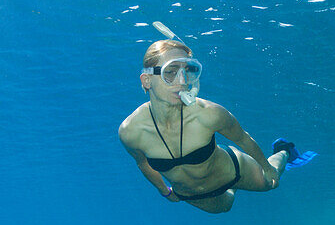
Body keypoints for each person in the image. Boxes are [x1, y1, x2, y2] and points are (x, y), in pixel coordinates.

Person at [118, 25, 313, 213]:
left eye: (187, 70)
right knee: (224, 208)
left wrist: (267, 168)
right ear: (146, 80)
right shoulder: (130, 131)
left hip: (234, 170)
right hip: (191, 193)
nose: (183, 81)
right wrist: (164, 190)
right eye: (170, 72)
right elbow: (143, 163)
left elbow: (242, 138)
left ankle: (284, 151)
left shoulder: (208, 113)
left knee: (271, 184)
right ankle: (236, 188)